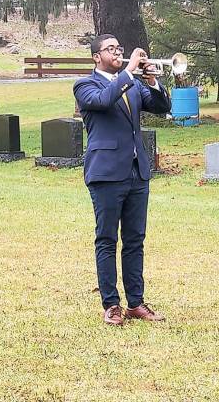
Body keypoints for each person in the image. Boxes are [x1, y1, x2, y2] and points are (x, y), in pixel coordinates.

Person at [73, 34, 171, 326]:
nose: (117, 52)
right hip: (105, 173)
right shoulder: (85, 85)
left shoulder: (132, 85)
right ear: (96, 57)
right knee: (106, 239)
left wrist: (152, 80)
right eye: (111, 49)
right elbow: (104, 101)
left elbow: (161, 107)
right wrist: (129, 73)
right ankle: (111, 305)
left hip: (137, 171)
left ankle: (136, 303)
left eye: (119, 48)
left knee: (135, 240)